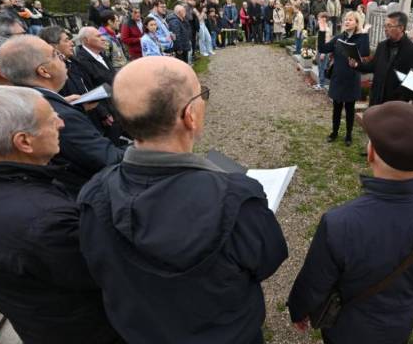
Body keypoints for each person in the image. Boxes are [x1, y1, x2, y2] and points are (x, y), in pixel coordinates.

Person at [77, 56, 288, 344]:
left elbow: (98, 268)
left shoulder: (93, 195)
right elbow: (268, 261)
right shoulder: (237, 197)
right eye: (202, 94)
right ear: (189, 115)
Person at [0, 86, 122, 344]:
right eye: (51, 119)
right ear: (23, 141)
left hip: (32, 322)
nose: (61, 122)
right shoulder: (46, 221)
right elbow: (112, 274)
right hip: (88, 330)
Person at [288, 101, 413, 344]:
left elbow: (314, 283)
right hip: (400, 323)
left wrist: (299, 310)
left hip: (347, 328)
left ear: (371, 153)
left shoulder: (341, 223)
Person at [0, 35, 124, 193]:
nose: (63, 59)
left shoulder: (27, 100)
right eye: (56, 55)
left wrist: (72, 106)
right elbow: (108, 158)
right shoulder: (60, 116)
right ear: (44, 71)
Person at [317, 11, 370, 146]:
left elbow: (364, 53)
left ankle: (348, 135)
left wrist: (364, 33)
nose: (347, 22)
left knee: (350, 109)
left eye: (350, 20)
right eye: (346, 19)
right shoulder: (339, 38)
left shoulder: (359, 38)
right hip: (338, 78)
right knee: (336, 108)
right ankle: (334, 132)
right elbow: (323, 48)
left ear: (357, 23)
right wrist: (322, 31)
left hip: (351, 79)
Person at [350, 12, 413, 106]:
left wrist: (401, 100)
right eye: (385, 26)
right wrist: (356, 65)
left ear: (401, 28)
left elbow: (412, 83)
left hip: (394, 104)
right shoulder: (382, 46)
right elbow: (372, 66)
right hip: (376, 99)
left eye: (389, 26)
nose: (385, 29)